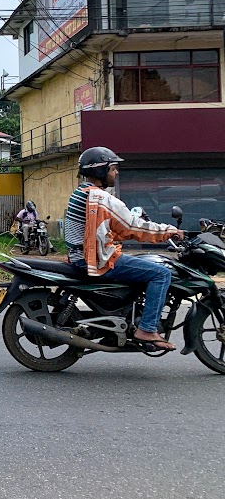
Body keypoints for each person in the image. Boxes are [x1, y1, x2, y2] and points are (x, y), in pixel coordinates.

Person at [65, 146, 182, 351]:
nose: (116, 173)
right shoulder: (101, 198)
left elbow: (114, 227)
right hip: (93, 258)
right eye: (113, 168)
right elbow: (132, 226)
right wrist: (168, 231)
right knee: (161, 273)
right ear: (100, 171)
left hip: (81, 255)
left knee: (143, 264)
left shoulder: (81, 192)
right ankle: (146, 329)